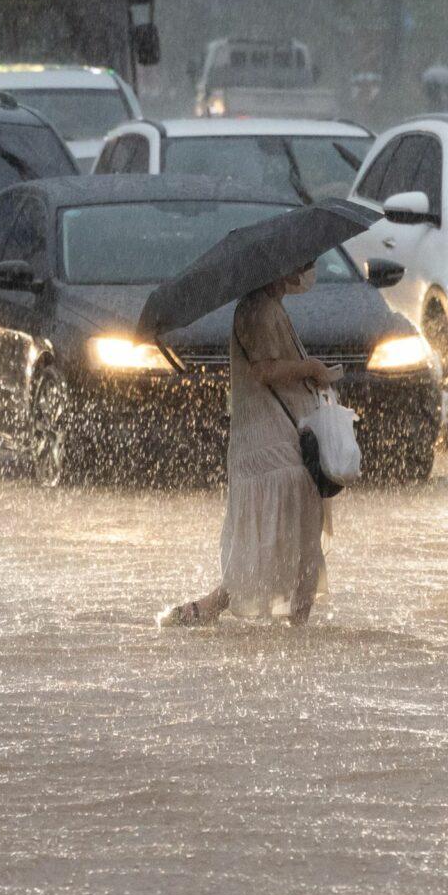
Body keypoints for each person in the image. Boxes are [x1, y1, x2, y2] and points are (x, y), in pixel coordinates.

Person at [161, 264, 338, 627]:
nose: (307, 270)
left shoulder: (270, 305)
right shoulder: (259, 309)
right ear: (279, 266)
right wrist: (310, 368)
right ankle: (221, 606)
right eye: (302, 263)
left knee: (299, 518)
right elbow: (264, 370)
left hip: (280, 431)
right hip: (267, 434)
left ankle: (295, 620)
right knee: (282, 519)